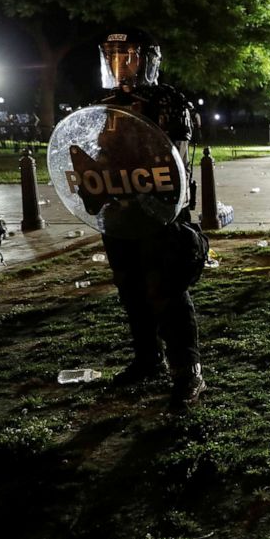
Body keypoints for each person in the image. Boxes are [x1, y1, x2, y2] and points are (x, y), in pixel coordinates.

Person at [91, 29, 207, 406]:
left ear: (147, 59)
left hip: (160, 214)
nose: (120, 64)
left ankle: (187, 371)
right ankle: (146, 358)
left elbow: (176, 160)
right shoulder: (101, 103)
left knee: (168, 292)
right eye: (113, 56)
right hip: (119, 211)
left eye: (129, 56)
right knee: (131, 291)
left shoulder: (169, 101)